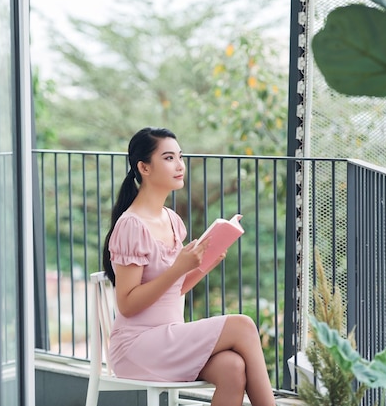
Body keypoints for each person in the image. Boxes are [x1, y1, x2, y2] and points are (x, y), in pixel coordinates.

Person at [102, 127, 275, 406]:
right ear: (144, 167)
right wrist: (178, 267)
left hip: (168, 339)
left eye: (180, 157)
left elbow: (173, 289)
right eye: (169, 158)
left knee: (232, 367)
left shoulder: (171, 220)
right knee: (242, 325)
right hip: (138, 347)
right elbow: (127, 304)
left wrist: (203, 265)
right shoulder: (131, 225)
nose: (180, 165)